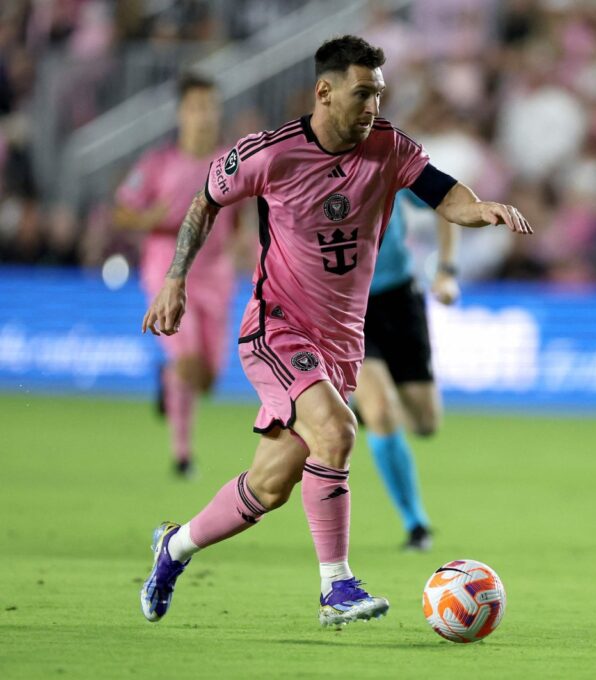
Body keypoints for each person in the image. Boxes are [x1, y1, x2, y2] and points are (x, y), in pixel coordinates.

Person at [138, 35, 533, 628]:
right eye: (363, 92)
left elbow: (442, 191)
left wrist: (479, 210)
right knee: (339, 429)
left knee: (268, 487)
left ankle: (173, 548)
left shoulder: (389, 147)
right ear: (325, 91)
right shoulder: (270, 154)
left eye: (379, 92)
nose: (374, 105)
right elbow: (205, 201)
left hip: (341, 345)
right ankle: (336, 588)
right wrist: (175, 278)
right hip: (278, 328)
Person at [114, 74, 242, 477]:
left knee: (207, 379)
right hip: (167, 270)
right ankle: (183, 456)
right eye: (196, 107)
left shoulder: (232, 162)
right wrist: (148, 217)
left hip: (216, 273)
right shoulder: (158, 164)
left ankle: (166, 379)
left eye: (210, 106)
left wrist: (245, 246)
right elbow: (121, 209)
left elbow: (241, 214)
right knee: (187, 361)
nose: (204, 115)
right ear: (181, 113)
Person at [356, 189, 459, 551]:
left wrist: (446, 270)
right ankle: (416, 524)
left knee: (425, 423)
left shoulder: (391, 160)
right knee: (382, 411)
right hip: (343, 305)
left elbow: (449, 202)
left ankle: (359, 404)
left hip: (399, 298)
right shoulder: (311, 166)